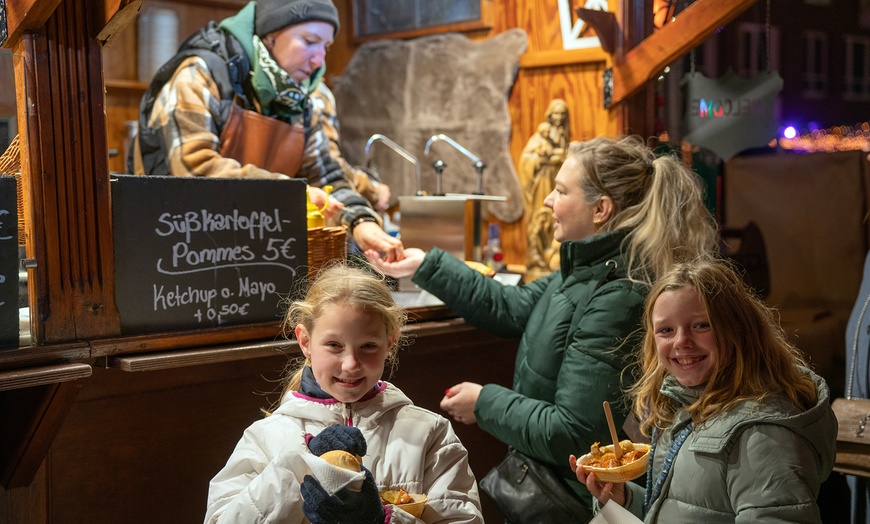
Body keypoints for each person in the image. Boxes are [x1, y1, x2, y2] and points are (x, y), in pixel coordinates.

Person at [366, 135, 718, 511]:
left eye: (561, 191)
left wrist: (486, 402)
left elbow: (576, 433)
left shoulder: (619, 294)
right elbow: (511, 305)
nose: (548, 200)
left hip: (579, 501)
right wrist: (425, 265)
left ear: (600, 209)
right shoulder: (585, 271)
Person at [203, 263, 483, 523]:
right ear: (305, 341)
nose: (350, 364)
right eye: (334, 345)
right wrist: (300, 466)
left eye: (368, 346)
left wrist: (380, 519)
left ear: (390, 342)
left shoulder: (430, 435)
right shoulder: (265, 438)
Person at [131, 0, 404, 262]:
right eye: (309, 42)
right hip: (185, 252)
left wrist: (362, 222)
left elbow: (325, 174)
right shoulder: (199, 75)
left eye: (327, 47)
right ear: (270, 36)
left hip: (261, 252)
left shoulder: (306, 98)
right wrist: (293, 195)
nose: (318, 60)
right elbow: (194, 174)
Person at [571, 257, 837, 523]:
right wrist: (624, 501)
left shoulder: (763, 433)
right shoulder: (679, 407)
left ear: (738, 329)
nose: (682, 341)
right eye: (666, 330)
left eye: (701, 325)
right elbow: (688, 510)